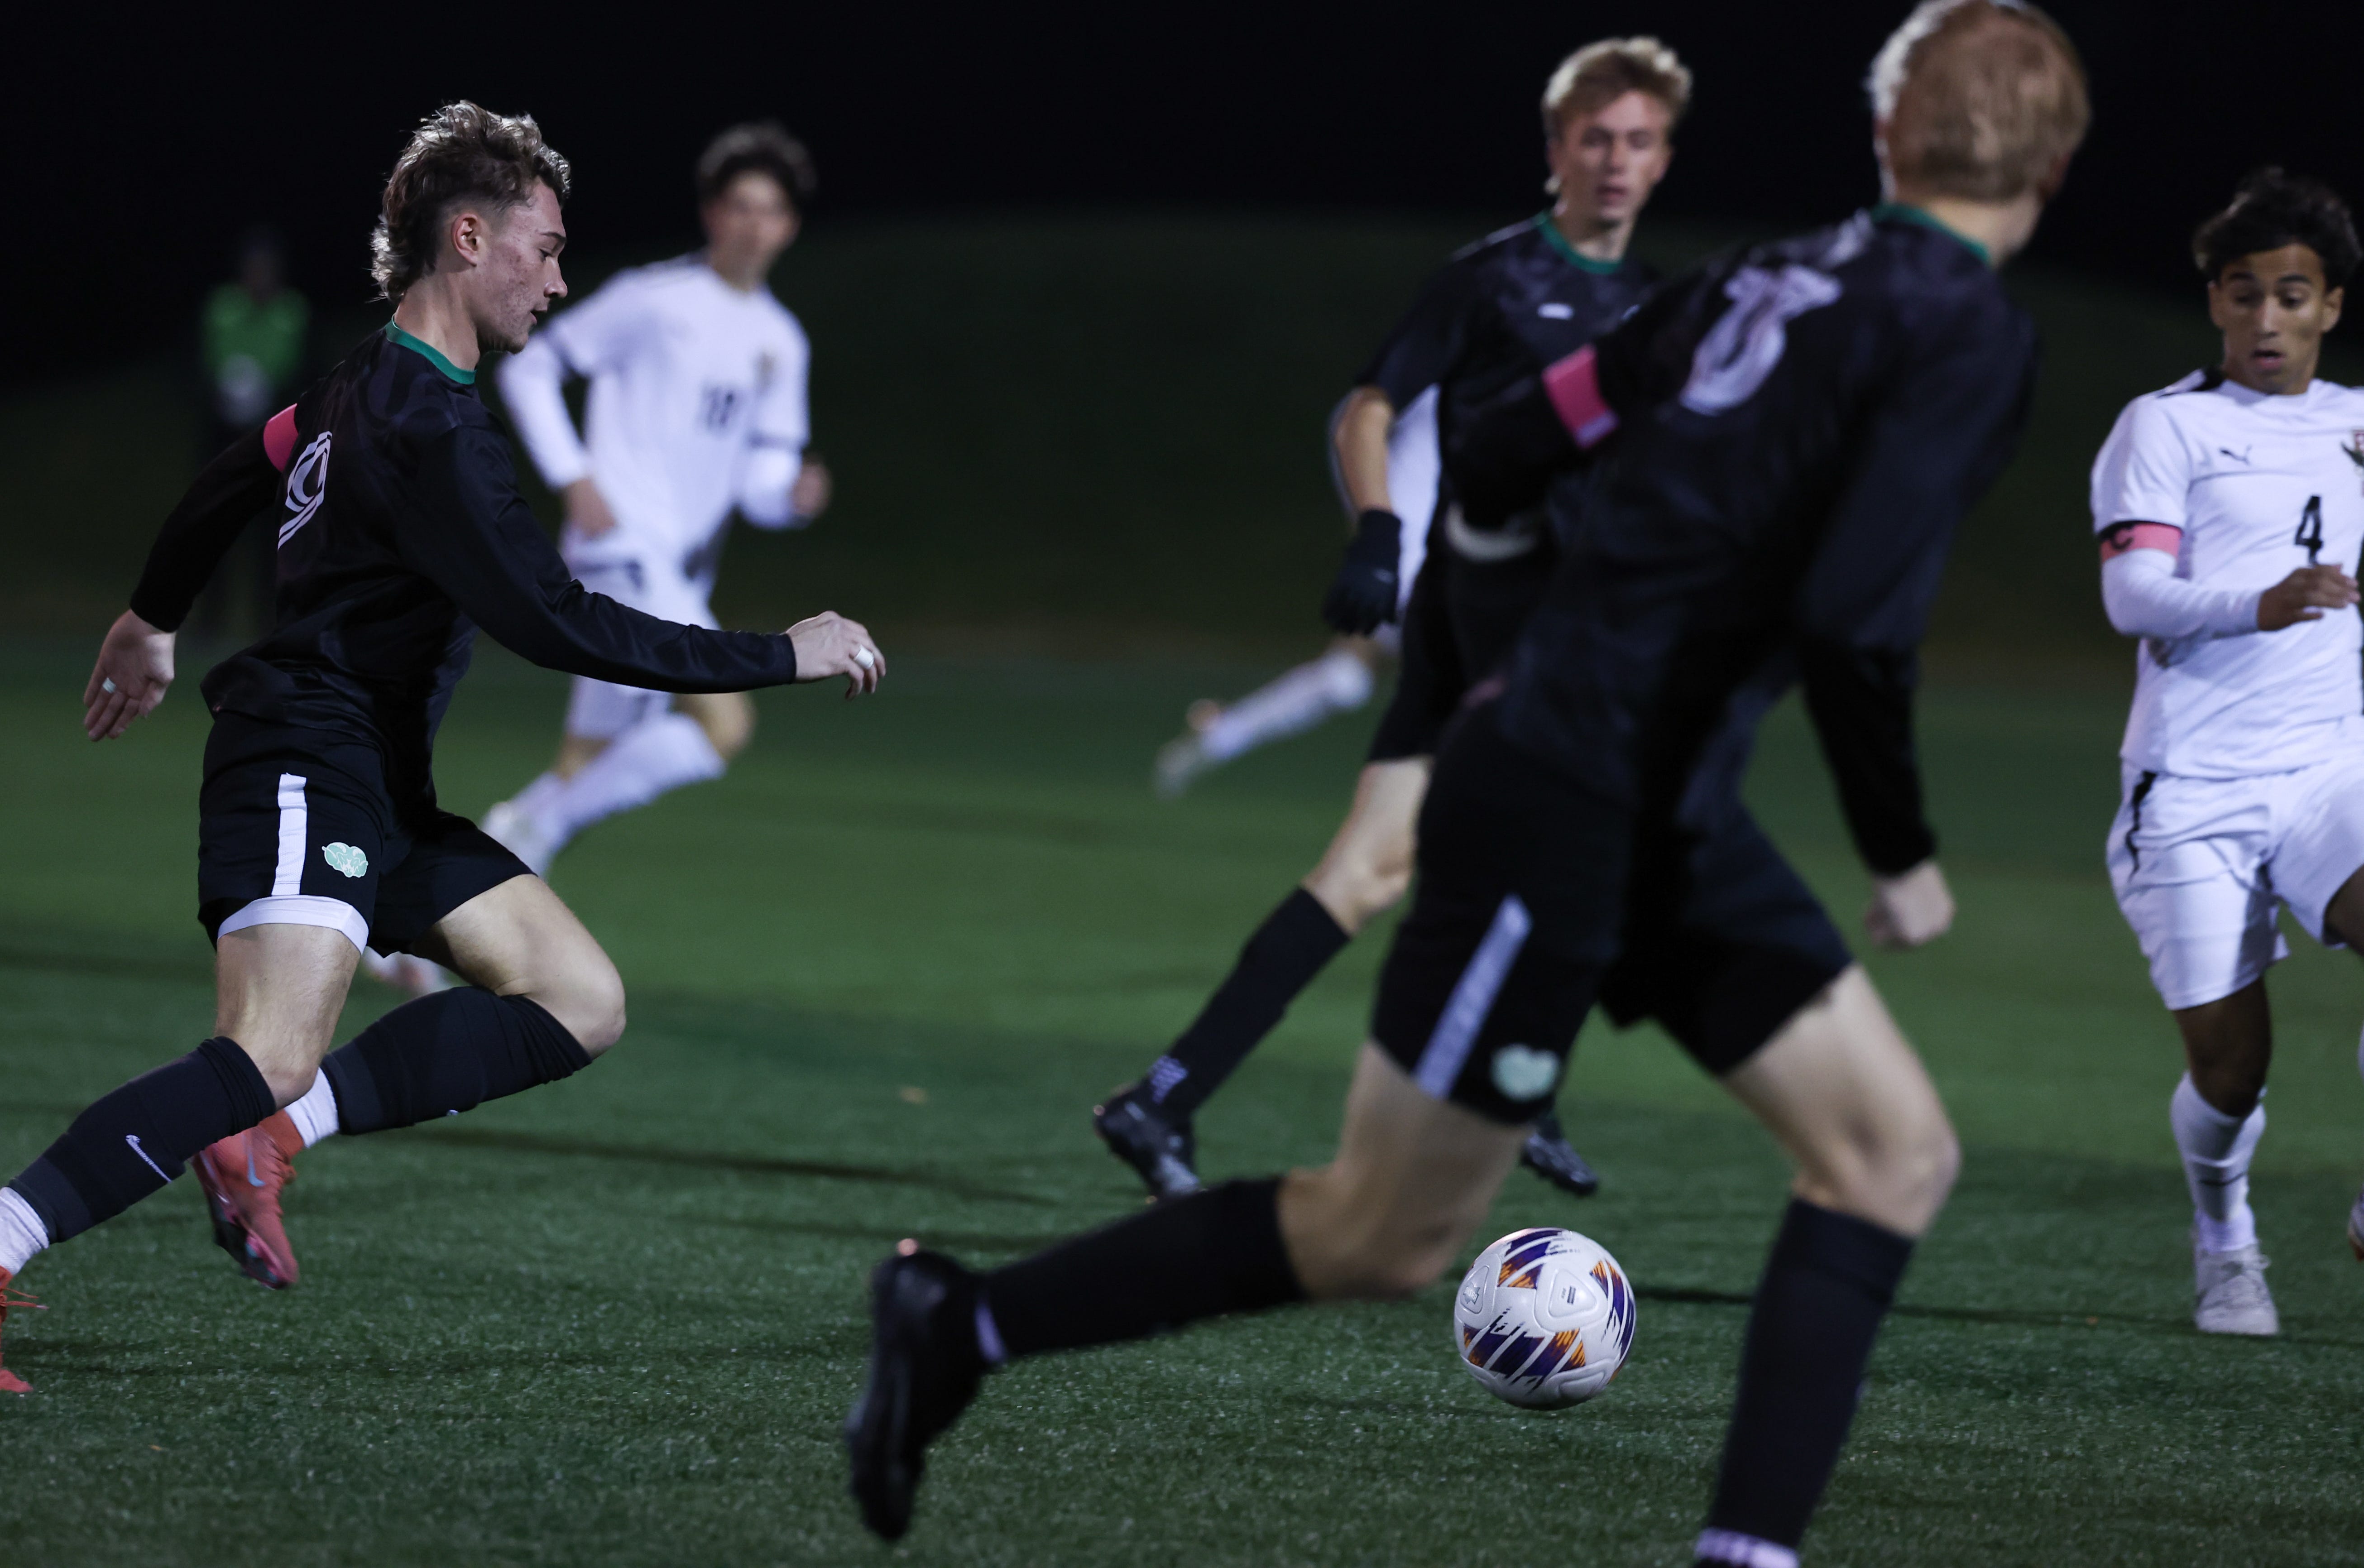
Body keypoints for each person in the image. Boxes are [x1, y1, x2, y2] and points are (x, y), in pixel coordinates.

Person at [844, 7, 2086, 1564]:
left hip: (1645, 804)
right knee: (1382, 1233)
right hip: (1569, 803)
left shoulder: (1742, 280)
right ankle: (956, 1323)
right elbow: (1850, 619)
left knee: (1888, 1152)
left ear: (1888, 137)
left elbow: (1502, 445)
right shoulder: (1965, 330)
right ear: (2049, 165)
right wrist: (1897, 850)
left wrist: (1526, 637)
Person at [0, 102, 885, 1388]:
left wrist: (151, 615)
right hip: (303, 759)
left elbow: (233, 476)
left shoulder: (358, 388)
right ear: (469, 237)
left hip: (380, 783)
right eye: (546, 247)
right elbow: (557, 621)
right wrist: (774, 652)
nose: (561, 278)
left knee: (579, 998)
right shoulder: (427, 429)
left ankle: (268, 1138)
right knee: (263, 1047)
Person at [1094, 37, 1690, 1203]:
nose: (1615, 162)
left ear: (1663, 159)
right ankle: (1516, 1084)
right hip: (1483, 625)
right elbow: (1368, 407)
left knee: (1372, 870)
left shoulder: (1656, 307)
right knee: (1583, 850)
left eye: (1638, 142)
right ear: (1556, 147)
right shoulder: (1494, 280)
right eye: (1595, 139)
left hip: (1559, 635)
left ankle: (1163, 1094)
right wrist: (1378, 530)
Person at [2090, 170, 2364, 1336]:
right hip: (2191, 786)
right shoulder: (2166, 425)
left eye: (2289, 296)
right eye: (2244, 295)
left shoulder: (2360, 424)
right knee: (2230, 1070)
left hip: (2328, 768)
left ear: (2330, 307)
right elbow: (2131, 592)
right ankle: (2225, 1232)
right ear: (2214, 302)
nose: (2265, 320)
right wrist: (2258, 602)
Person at [478, 121, 830, 881]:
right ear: (712, 213)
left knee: (585, 760)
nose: (751, 223)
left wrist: (792, 498)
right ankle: (526, 830)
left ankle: (414, 932)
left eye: (768, 210)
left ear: (789, 227)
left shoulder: (782, 340)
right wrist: (574, 475)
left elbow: (758, 485)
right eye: (738, 204)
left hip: (676, 570)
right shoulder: (652, 298)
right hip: (621, 549)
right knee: (723, 720)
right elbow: (531, 368)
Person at [195, 226, 312, 639]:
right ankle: (209, 622)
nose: (259, 278)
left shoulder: (292, 311)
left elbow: (304, 371)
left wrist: (273, 397)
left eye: (267, 270)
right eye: (253, 270)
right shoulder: (222, 307)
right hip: (225, 438)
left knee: (273, 535)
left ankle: (270, 621)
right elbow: (202, 366)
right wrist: (222, 396)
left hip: (275, 439)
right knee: (215, 531)